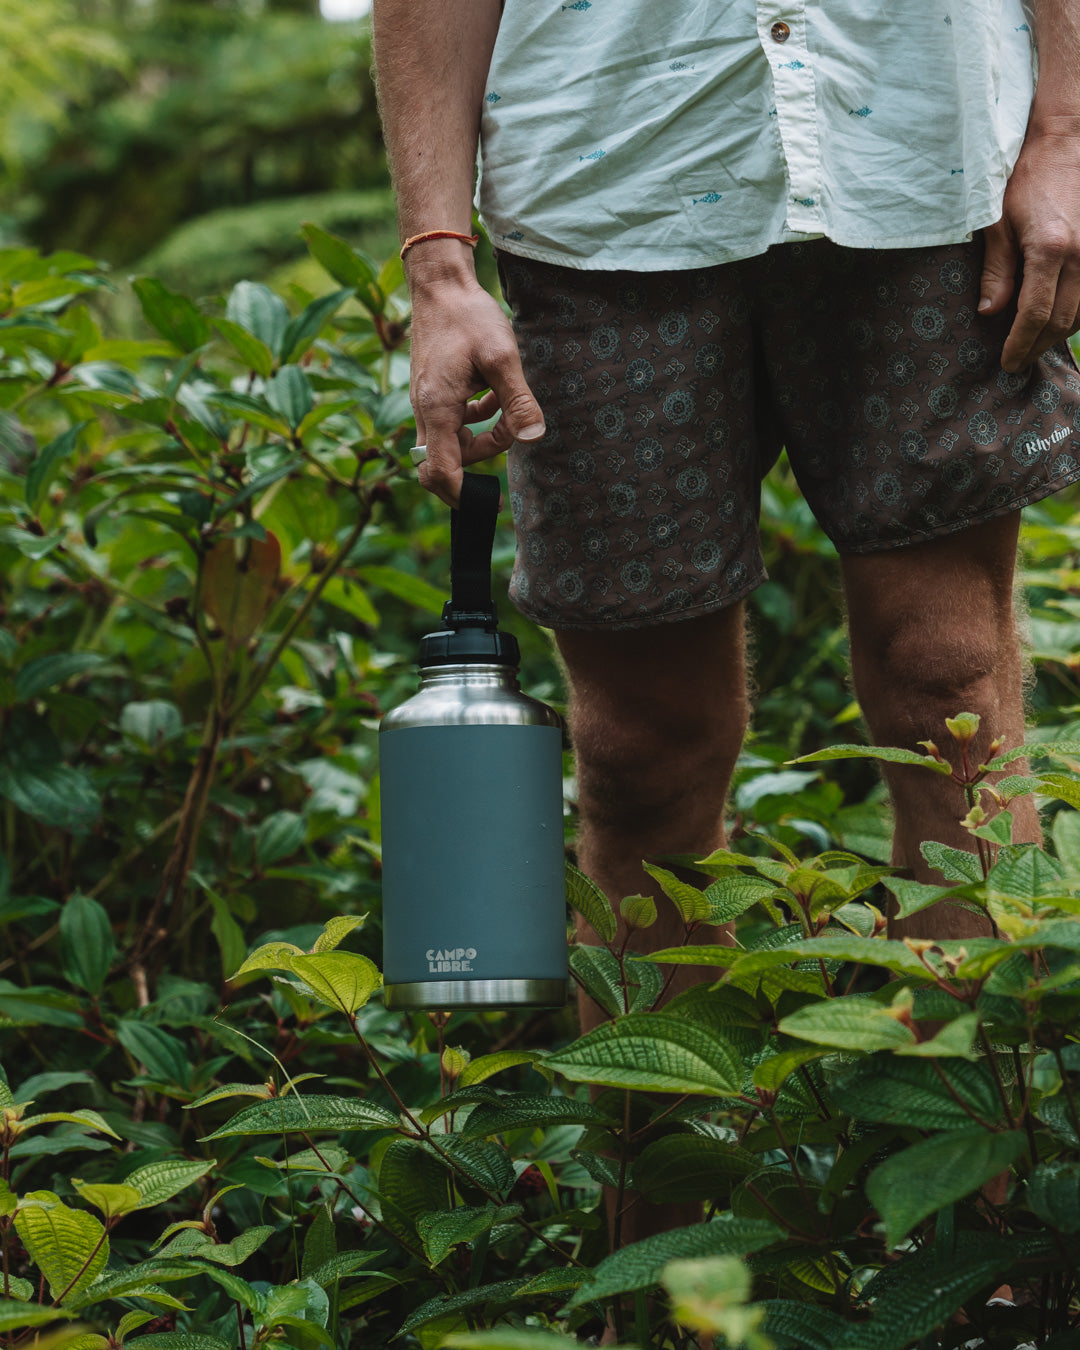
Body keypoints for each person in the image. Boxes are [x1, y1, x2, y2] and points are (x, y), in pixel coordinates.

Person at [371, 2, 1080, 1025]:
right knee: (638, 749)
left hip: (926, 163)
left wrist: (1064, 131)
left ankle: (980, 1149)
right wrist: (438, 266)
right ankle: (652, 1171)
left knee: (949, 687)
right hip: (603, 192)